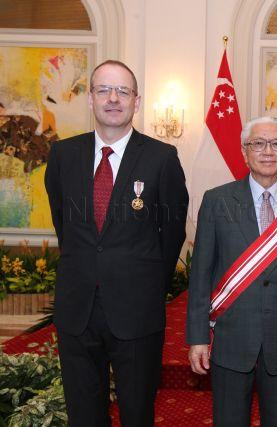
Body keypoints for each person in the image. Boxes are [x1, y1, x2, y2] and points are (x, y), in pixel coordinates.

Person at [44, 60, 189, 426]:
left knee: (137, 413)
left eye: (123, 91)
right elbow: (65, 224)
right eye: (104, 90)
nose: (113, 99)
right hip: (78, 310)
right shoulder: (63, 156)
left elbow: (171, 234)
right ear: (90, 99)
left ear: (136, 102)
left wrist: (146, 284)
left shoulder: (161, 158)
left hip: (136, 312)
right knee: (84, 415)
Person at [186, 116, 277, 427]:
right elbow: (200, 276)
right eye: (258, 144)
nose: (268, 151)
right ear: (244, 151)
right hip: (230, 338)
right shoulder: (216, 201)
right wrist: (197, 337)